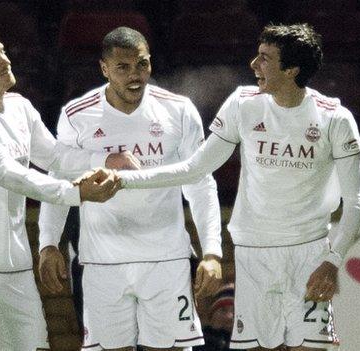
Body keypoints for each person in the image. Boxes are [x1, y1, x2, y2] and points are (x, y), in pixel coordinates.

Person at [118, 23, 360, 351]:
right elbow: (196, 168)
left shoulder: (335, 118)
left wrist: (333, 261)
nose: (254, 65)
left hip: (309, 255)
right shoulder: (242, 104)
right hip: (254, 256)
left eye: (265, 58)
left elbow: (356, 201)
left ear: (291, 70)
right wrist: (126, 180)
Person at [0, 26, 134, 351]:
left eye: (1, 50)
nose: (4, 59)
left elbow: (55, 156)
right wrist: (77, 193)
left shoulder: (20, 108)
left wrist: (106, 159)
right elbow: (10, 174)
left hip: (12, 265)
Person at [38, 27, 223, 351]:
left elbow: (200, 181)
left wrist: (211, 251)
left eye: (142, 64)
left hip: (166, 259)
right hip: (103, 262)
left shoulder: (178, 110)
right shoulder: (77, 115)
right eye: (123, 67)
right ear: (104, 68)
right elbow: (59, 181)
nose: (135, 75)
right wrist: (48, 244)